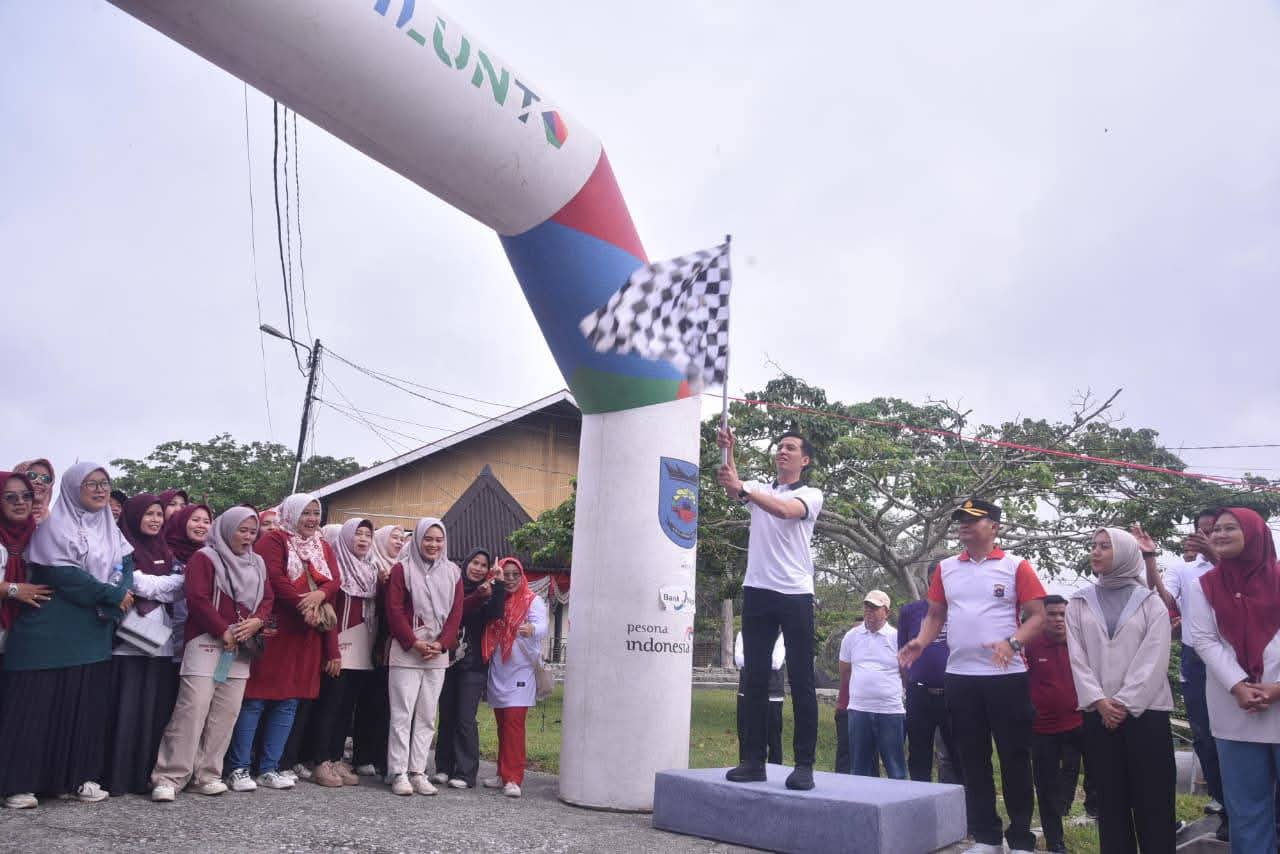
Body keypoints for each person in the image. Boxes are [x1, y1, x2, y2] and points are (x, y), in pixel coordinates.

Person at [900, 498, 1046, 854]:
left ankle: (1022, 839)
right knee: (972, 758)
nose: (964, 524)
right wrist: (920, 641)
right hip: (960, 677)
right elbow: (935, 615)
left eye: (972, 519)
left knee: (1013, 757)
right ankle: (986, 837)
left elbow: (1038, 615)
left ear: (993, 526)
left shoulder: (1015, 566)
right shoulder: (947, 568)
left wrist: (1012, 643)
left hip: (1005, 676)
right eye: (961, 520)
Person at [0, 462, 134, 808]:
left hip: (93, 631)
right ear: (74, 488)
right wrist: (112, 595)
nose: (100, 490)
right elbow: (62, 576)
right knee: (36, 708)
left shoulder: (111, 530)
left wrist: (119, 590)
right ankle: (20, 783)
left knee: (83, 708)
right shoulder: (50, 527)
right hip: (47, 634)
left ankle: (74, 779)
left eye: (104, 483)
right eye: (91, 483)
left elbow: (126, 569)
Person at [718, 428, 825, 791]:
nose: (782, 451)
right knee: (754, 679)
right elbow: (733, 487)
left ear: (804, 460)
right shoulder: (759, 488)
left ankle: (804, 765)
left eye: (791, 448)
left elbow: (784, 511)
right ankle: (752, 761)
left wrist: (746, 489)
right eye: (779, 446)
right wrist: (728, 451)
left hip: (795, 593)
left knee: (802, 681)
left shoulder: (810, 494)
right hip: (758, 590)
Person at [150, 506, 271, 801]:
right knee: (192, 710)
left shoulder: (258, 563)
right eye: (241, 530)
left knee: (226, 713)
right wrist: (222, 630)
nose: (247, 536)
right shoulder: (204, 558)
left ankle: (208, 773)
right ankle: (170, 776)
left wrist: (257, 621)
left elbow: (268, 598)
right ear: (227, 528)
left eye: (252, 531)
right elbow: (197, 598)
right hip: (206, 640)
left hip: (240, 646)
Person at [1066, 527, 1175, 853]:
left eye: (1105, 546)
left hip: (1147, 714)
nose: (1095, 552)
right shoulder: (1079, 602)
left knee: (1154, 801)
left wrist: (1124, 703)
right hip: (1098, 716)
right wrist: (1100, 702)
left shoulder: (1151, 603)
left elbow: (1155, 656)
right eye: (1093, 546)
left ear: (1126, 553)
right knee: (1110, 803)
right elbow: (1077, 658)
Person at [226, 492, 340, 791]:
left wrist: (319, 597)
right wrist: (306, 605)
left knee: (289, 702)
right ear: (291, 513)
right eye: (306, 513)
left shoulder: (322, 546)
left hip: (306, 635)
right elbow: (274, 579)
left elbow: (334, 581)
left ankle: (270, 767)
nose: (312, 519)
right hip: (277, 631)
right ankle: (239, 767)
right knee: (256, 700)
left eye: (316, 513)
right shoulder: (274, 541)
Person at [1186, 507, 1280, 854]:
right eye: (1217, 530)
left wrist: (1276, 688)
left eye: (1231, 528)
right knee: (1247, 811)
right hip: (1234, 710)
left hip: (1279, 701)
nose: (1220, 535)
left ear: (1255, 534)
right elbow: (1204, 640)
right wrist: (1239, 686)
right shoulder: (1203, 586)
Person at [105, 494, 187, 795]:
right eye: (148, 514)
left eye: (158, 514)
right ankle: (115, 776)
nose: (154, 519)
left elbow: (177, 589)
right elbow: (136, 583)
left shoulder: (165, 550)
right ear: (134, 516)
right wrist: (170, 583)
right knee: (125, 710)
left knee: (151, 711)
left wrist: (163, 586)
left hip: (160, 641)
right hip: (128, 642)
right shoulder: (123, 548)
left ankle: (143, 775)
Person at [385, 517, 462, 796]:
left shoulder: (453, 572)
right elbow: (394, 611)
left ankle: (418, 771)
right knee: (402, 713)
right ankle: (398, 772)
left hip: (437, 655)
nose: (433, 544)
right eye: (427, 539)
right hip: (407, 652)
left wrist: (441, 644)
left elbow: (456, 613)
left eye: (438, 539)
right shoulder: (401, 570)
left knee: (428, 715)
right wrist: (414, 642)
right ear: (417, 540)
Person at [1160, 509, 1227, 830]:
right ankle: (1221, 799)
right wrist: (1148, 559)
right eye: (1201, 530)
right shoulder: (1184, 570)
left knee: (1240, 733)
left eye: (1213, 530)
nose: (1208, 536)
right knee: (1204, 734)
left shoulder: (1246, 569)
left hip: (1239, 656)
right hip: (1196, 658)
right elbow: (1165, 598)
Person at [303, 518, 380, 788]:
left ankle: (336, 757)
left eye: (367, 535)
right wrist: (332, 651)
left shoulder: (372, 570)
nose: (362, 539)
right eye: (357, 534)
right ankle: (320, 759)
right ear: (346, 536)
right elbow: (330, 613)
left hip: (363, 646)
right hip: (340, 644)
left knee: (347, 706)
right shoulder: (335, 568)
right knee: (331, 704)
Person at [434, 548, 506, 789]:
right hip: (447, 660)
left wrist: (497, 586)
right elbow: (452, 614)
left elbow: (496, 614)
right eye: (474, 563)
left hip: (474, 664)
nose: (478, 568)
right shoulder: (452, 589)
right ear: (465, 564)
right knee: (446, 714)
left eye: (483, 565)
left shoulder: (487, 592)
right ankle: (443, 766)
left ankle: (465, 772)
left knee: (465, 717)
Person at [482, 556, 548, 798]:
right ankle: (502, 773)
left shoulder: (533, 601)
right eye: (505, 574)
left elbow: (543, 627)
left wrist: (532, 629)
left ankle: (514, 778)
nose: (510, 579)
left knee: (514, 723)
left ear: (522, 576)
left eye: (514, 575)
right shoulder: (497, 598)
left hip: (521, 671)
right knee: (502, 724)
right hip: (499, 668)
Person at [1027, 594, 1087, 853]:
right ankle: (1055, 842)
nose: (1058, 619)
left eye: (1063, 614)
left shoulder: (1081, 642)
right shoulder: (1030, 645)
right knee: (1046, 788)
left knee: (1101, 774)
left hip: (1079, 723)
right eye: (1052, 614)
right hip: (1042, 729)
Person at [351, 524, 405, 777]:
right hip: (373, 640)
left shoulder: (405, 566)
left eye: (402, 537)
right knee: (369, 700)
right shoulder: (372, 565)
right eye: (393, 536)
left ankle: (384, 757)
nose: (399, 541)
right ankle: (363, 754)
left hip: (396, 644)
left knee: (389, 703)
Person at [840, 590, 906, 779]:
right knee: (859, 770)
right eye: (867, 607)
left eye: (874, 608)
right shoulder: (852, 636)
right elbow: (845, 671)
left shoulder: (897, 637)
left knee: (895, 768)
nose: (868, 611)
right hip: (859, 710)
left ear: (887, 612)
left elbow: (905, 673)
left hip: (890, 711)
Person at [897, 597, 960, 784]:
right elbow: (903, 650)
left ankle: (962, 804)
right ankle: (920, 802)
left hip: (953, 693)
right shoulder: (911, 611)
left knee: (958, 754)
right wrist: (910, 682)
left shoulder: (961, 608)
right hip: (919, 694)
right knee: (918, 754)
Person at [0, 471, 52, 666]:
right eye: (10, 497)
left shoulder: (38, 536)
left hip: (19, 645)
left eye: (26, 495)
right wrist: (13, 590)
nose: (20, 502)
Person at [735, 629, 785, 765]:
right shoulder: (743, 634)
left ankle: (775, 771)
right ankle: (745, 765)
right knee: (745, 736)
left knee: (773, 739)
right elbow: (738, 660)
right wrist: (762, 658)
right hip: (746, 693)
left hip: (772, 695)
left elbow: (775, 662)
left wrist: (751, 658)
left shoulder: (780, 636)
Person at [13, 458, 55, 524]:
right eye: (32, 476)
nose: (39, 482)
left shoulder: (57, 525)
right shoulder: (4, 523)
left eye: (45, 479)